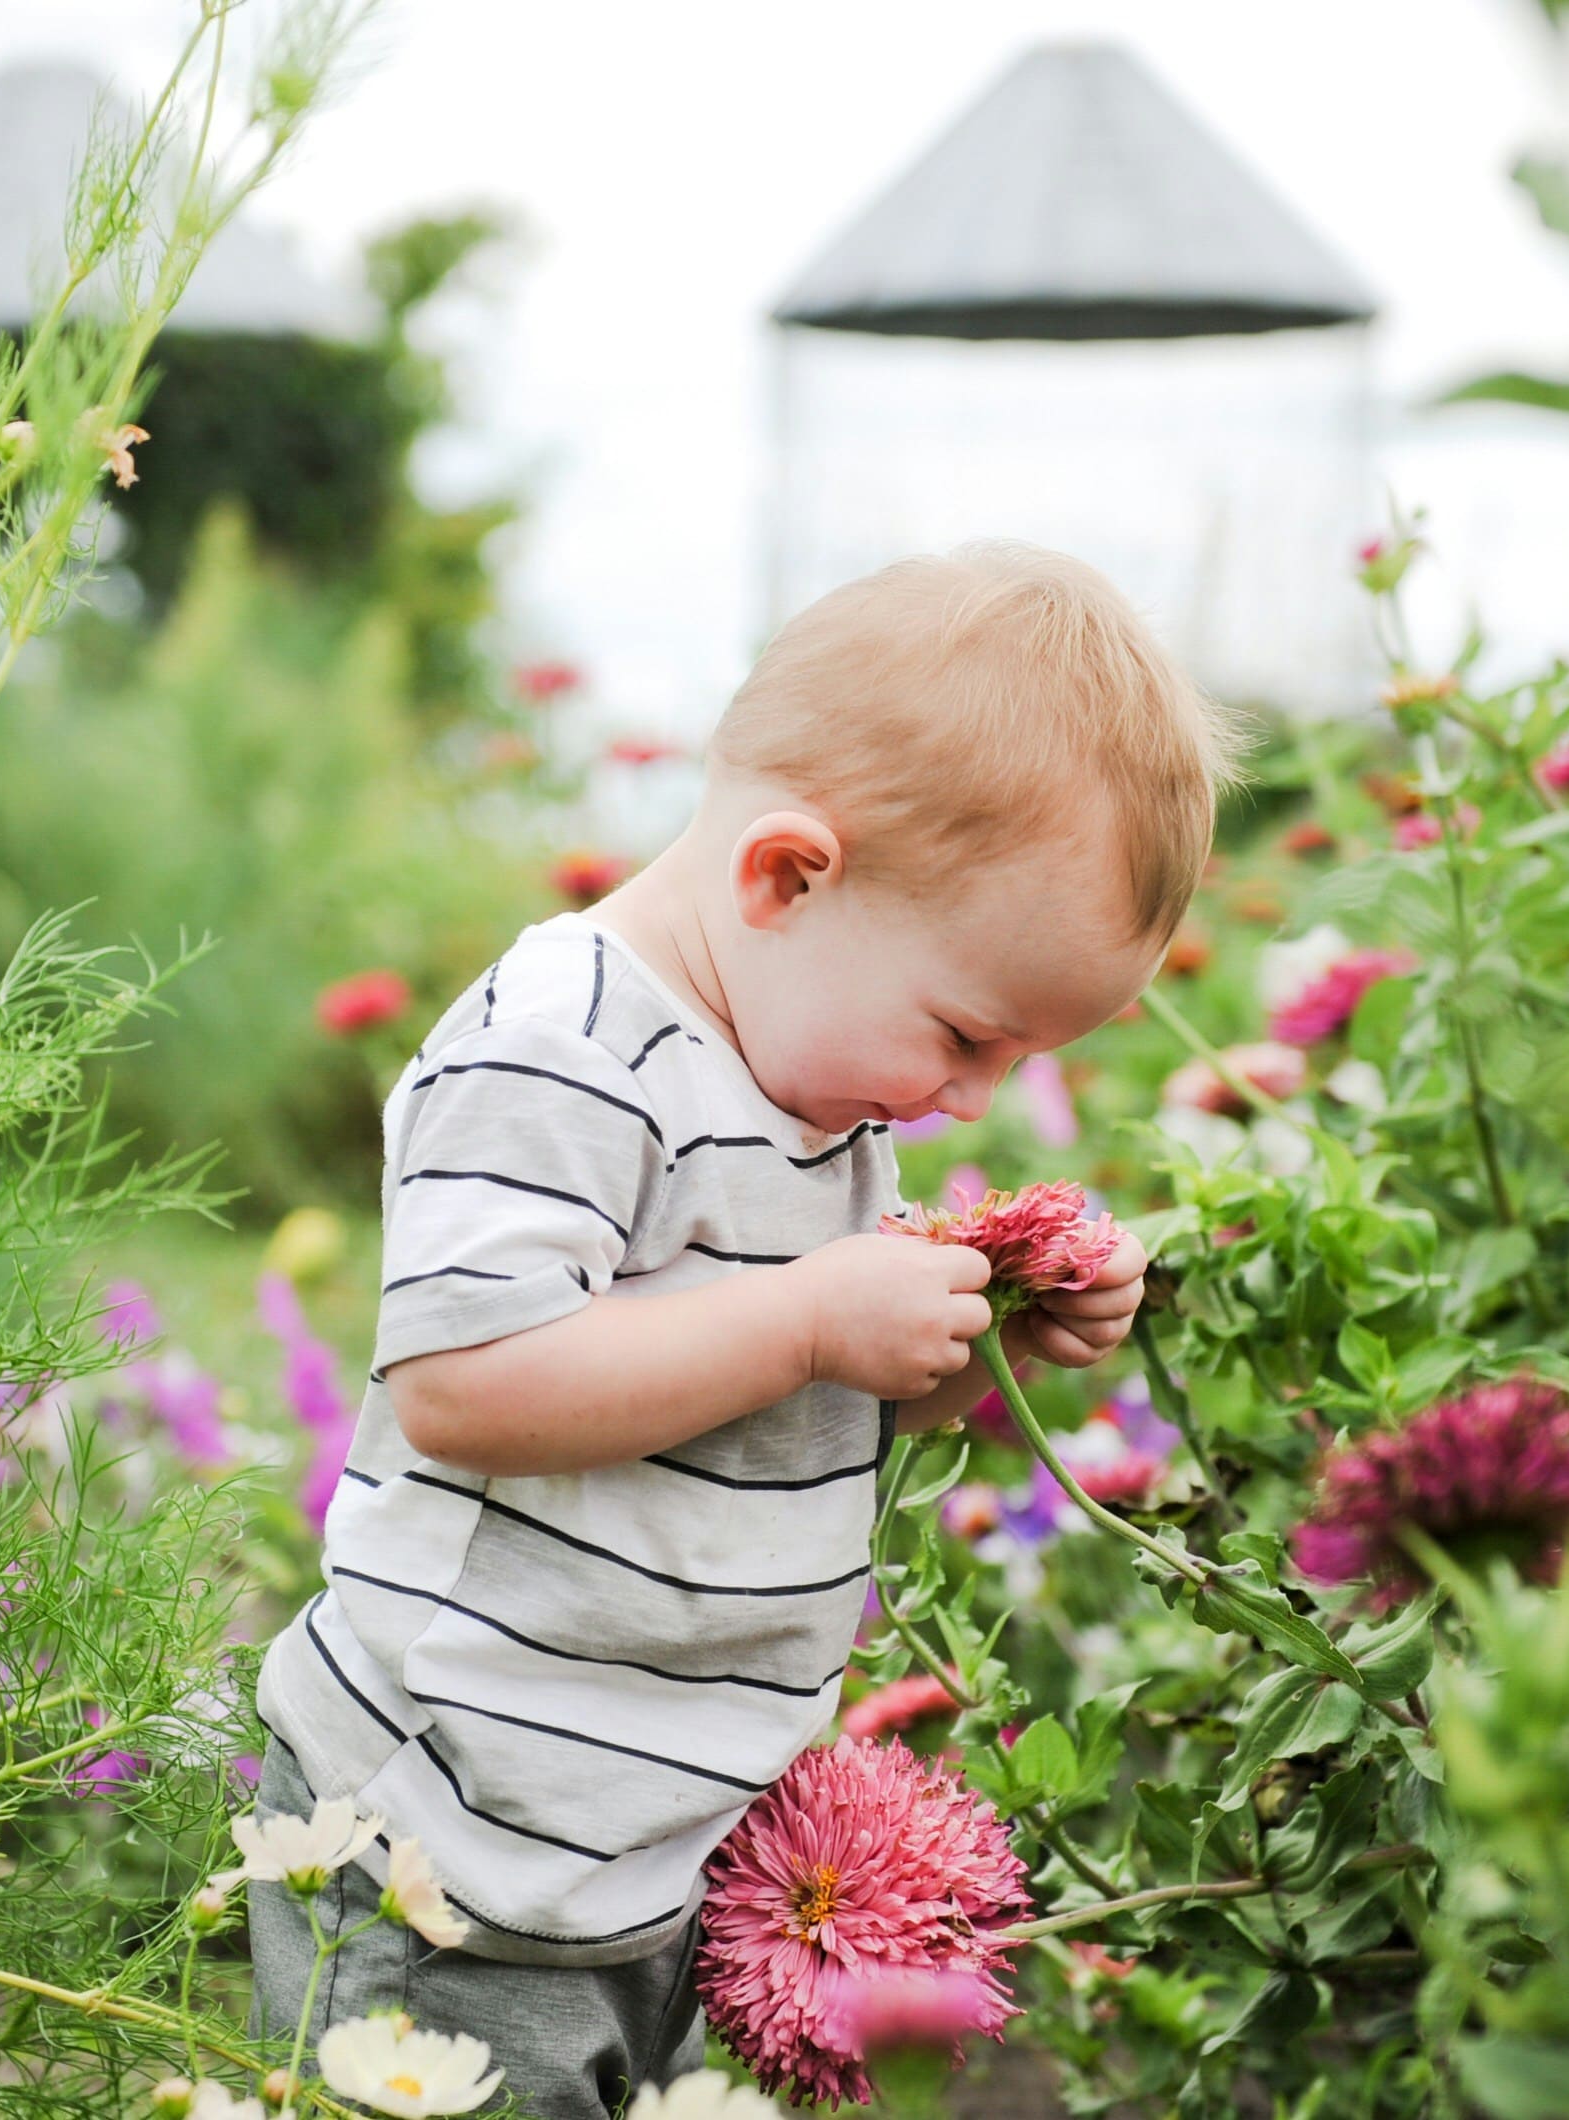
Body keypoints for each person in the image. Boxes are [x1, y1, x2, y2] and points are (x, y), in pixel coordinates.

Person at [247, 540, 1243, 2118]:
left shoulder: (813, 1081)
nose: (975, 1097)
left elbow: (769, 1415)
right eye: (968, 1034)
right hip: (451, 1855)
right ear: (788, 877)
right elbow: (465, 1385)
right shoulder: (561, 1052)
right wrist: (803, 1321)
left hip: (651, 1836)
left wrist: (979, 1356)